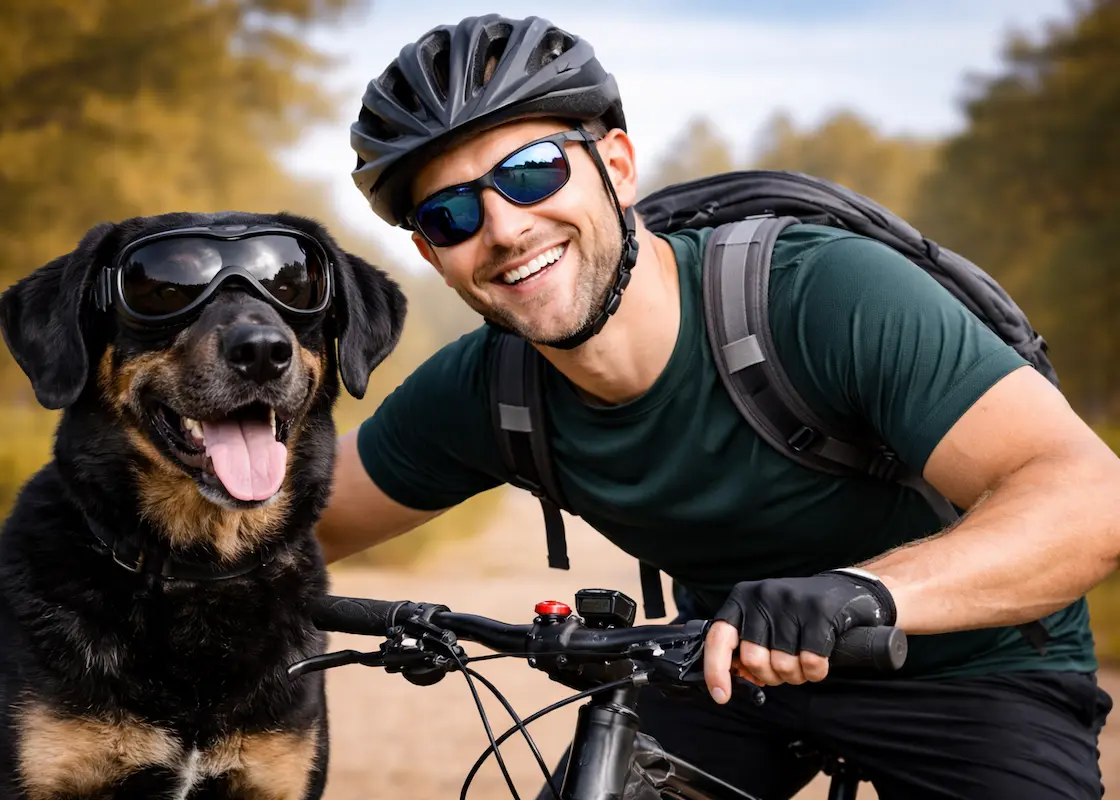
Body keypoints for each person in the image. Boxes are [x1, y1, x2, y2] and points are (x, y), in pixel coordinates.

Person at [317, 13, 1120, 798]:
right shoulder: (487, 389)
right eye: (450, 214)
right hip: (720, 668)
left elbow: (1090, 500)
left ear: (618, 167)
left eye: (531, 171)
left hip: (970, 671)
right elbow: (279, 531)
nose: (503, 227)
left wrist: (859, 594)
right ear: (431, 254)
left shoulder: (820, 295)